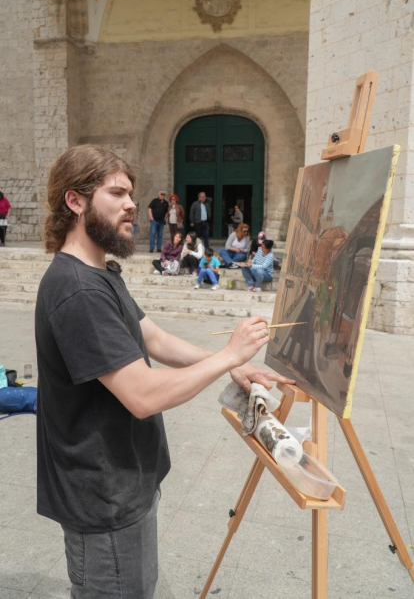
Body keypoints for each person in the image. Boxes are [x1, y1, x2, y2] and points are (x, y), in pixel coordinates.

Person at [35, 144, 294, 598]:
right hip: (103, 494)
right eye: (117, 193)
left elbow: (154, 338)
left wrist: (232, 367)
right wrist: (227, 356)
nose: (133, 204)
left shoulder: (101, 274)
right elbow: (143, 395)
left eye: (131, 193)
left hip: (127, 479)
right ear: (75, 201)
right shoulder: (77, 291)